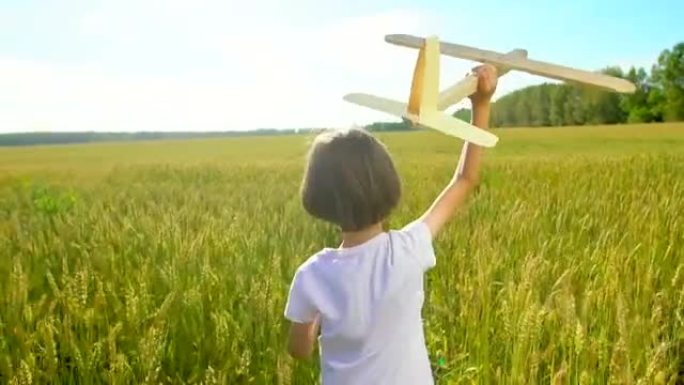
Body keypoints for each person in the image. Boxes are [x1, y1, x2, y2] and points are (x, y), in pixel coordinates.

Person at [283, 64, 498, 385]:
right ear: (388, 185)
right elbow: (465, 179)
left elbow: (299, 351)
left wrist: (315, 323)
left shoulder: (311, 275)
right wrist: (480, 104)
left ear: (318, 197)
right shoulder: (409, 249)